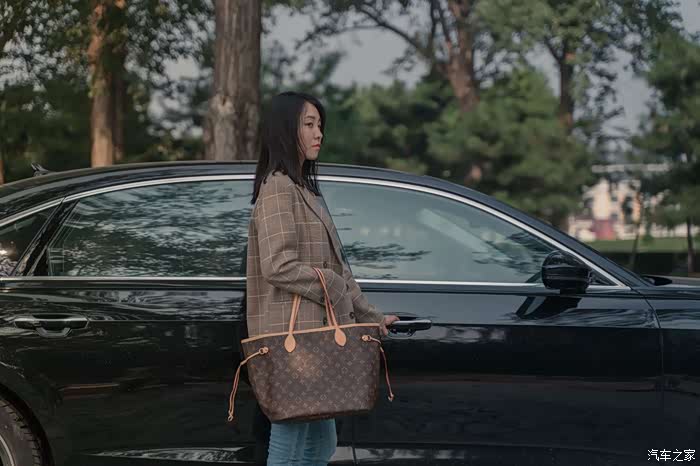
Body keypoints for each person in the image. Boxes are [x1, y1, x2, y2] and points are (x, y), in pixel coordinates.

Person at [247, 91, 399, 466]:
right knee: (291, 439)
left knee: (321, 443)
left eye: (320, 125)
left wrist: (372, 316)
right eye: (309, 124)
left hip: (317, 340)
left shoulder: (304, 190)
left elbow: (339, 268)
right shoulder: (278, 187)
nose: (319, 134)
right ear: (286, 129)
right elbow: (277, 264)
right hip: (294, 342)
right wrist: (330, 284)